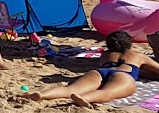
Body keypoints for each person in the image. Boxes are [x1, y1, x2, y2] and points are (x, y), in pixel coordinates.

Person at [23, 29, 158, 106]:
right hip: (124, 75)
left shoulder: (105, 54)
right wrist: (142, 72)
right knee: (107, 93)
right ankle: (86, 99)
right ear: (129, 44)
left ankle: (43, 94)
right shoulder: (138, 55)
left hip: (99, 72)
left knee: (69, 89)